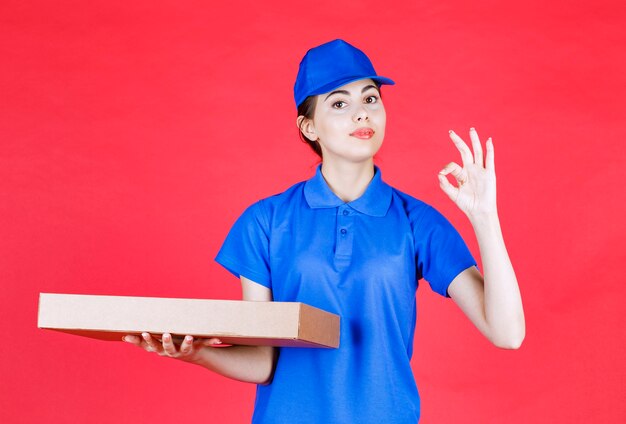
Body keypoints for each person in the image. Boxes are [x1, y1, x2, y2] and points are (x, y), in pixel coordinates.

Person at [123, 39, 525, 423]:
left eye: (370, 98)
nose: (362, 113)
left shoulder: (416, 221)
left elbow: (507, 334)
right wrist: (193, 354)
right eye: (339, 103)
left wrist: (485, 218)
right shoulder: (265, 221)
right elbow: (264, 362)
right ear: (309, 127)